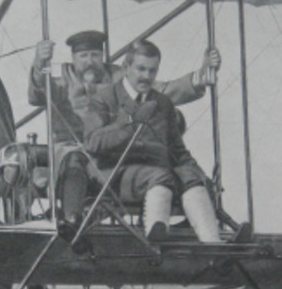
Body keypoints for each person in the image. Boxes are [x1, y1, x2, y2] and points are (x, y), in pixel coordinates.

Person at [28, 29, 220, 243]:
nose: (90, 61)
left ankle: (202, 231)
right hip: (73, 147)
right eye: (84, 56)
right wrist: (39, 63)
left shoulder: (122, 76)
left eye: (95, 55)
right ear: (73, 58)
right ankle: (72, 219)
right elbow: (38, 93)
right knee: (74, 159)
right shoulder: (62, 82)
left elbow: (163, 89)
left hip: (118, 151)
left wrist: (199, 78)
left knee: (181, 173)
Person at [84, 38, 247, 244]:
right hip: (116, 173)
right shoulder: (103, 98)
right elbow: (91, 142)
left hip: (157, 173)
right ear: (126, 67)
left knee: (190, 177)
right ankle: (155, 237)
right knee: (160, 175)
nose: (147, 77)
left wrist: (200, 176)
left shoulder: (163, 103)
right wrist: (131, 124)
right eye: (141, 69)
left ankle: (213, 244)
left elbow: (177, 151)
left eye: (152, 71)